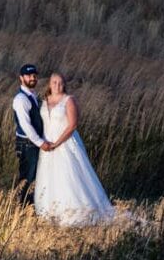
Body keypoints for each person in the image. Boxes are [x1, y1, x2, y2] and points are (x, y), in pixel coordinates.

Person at [33, 72, 116, 226]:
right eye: (54, 82)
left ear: (64, 84)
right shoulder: (44, 101)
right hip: (47, 145)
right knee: (50, 177)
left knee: (68, 175)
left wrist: (57, 143)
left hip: (64, 143)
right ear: (49, 84)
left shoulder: (69, 100)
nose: (57, 85)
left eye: (60, 83)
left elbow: (72, 126)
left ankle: (76, 214)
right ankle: (51, 214)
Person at [10, 64, 46, 206]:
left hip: (33, 144)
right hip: (27, 144)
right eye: (29, 75)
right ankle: (22, 208)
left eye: (34, 75)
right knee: (27, 178)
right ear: (21, 78)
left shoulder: (33, 96)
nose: (32, 78)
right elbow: (26, 126)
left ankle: (29, 206)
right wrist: (41, 142)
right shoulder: (21, 99)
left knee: (34, 176)